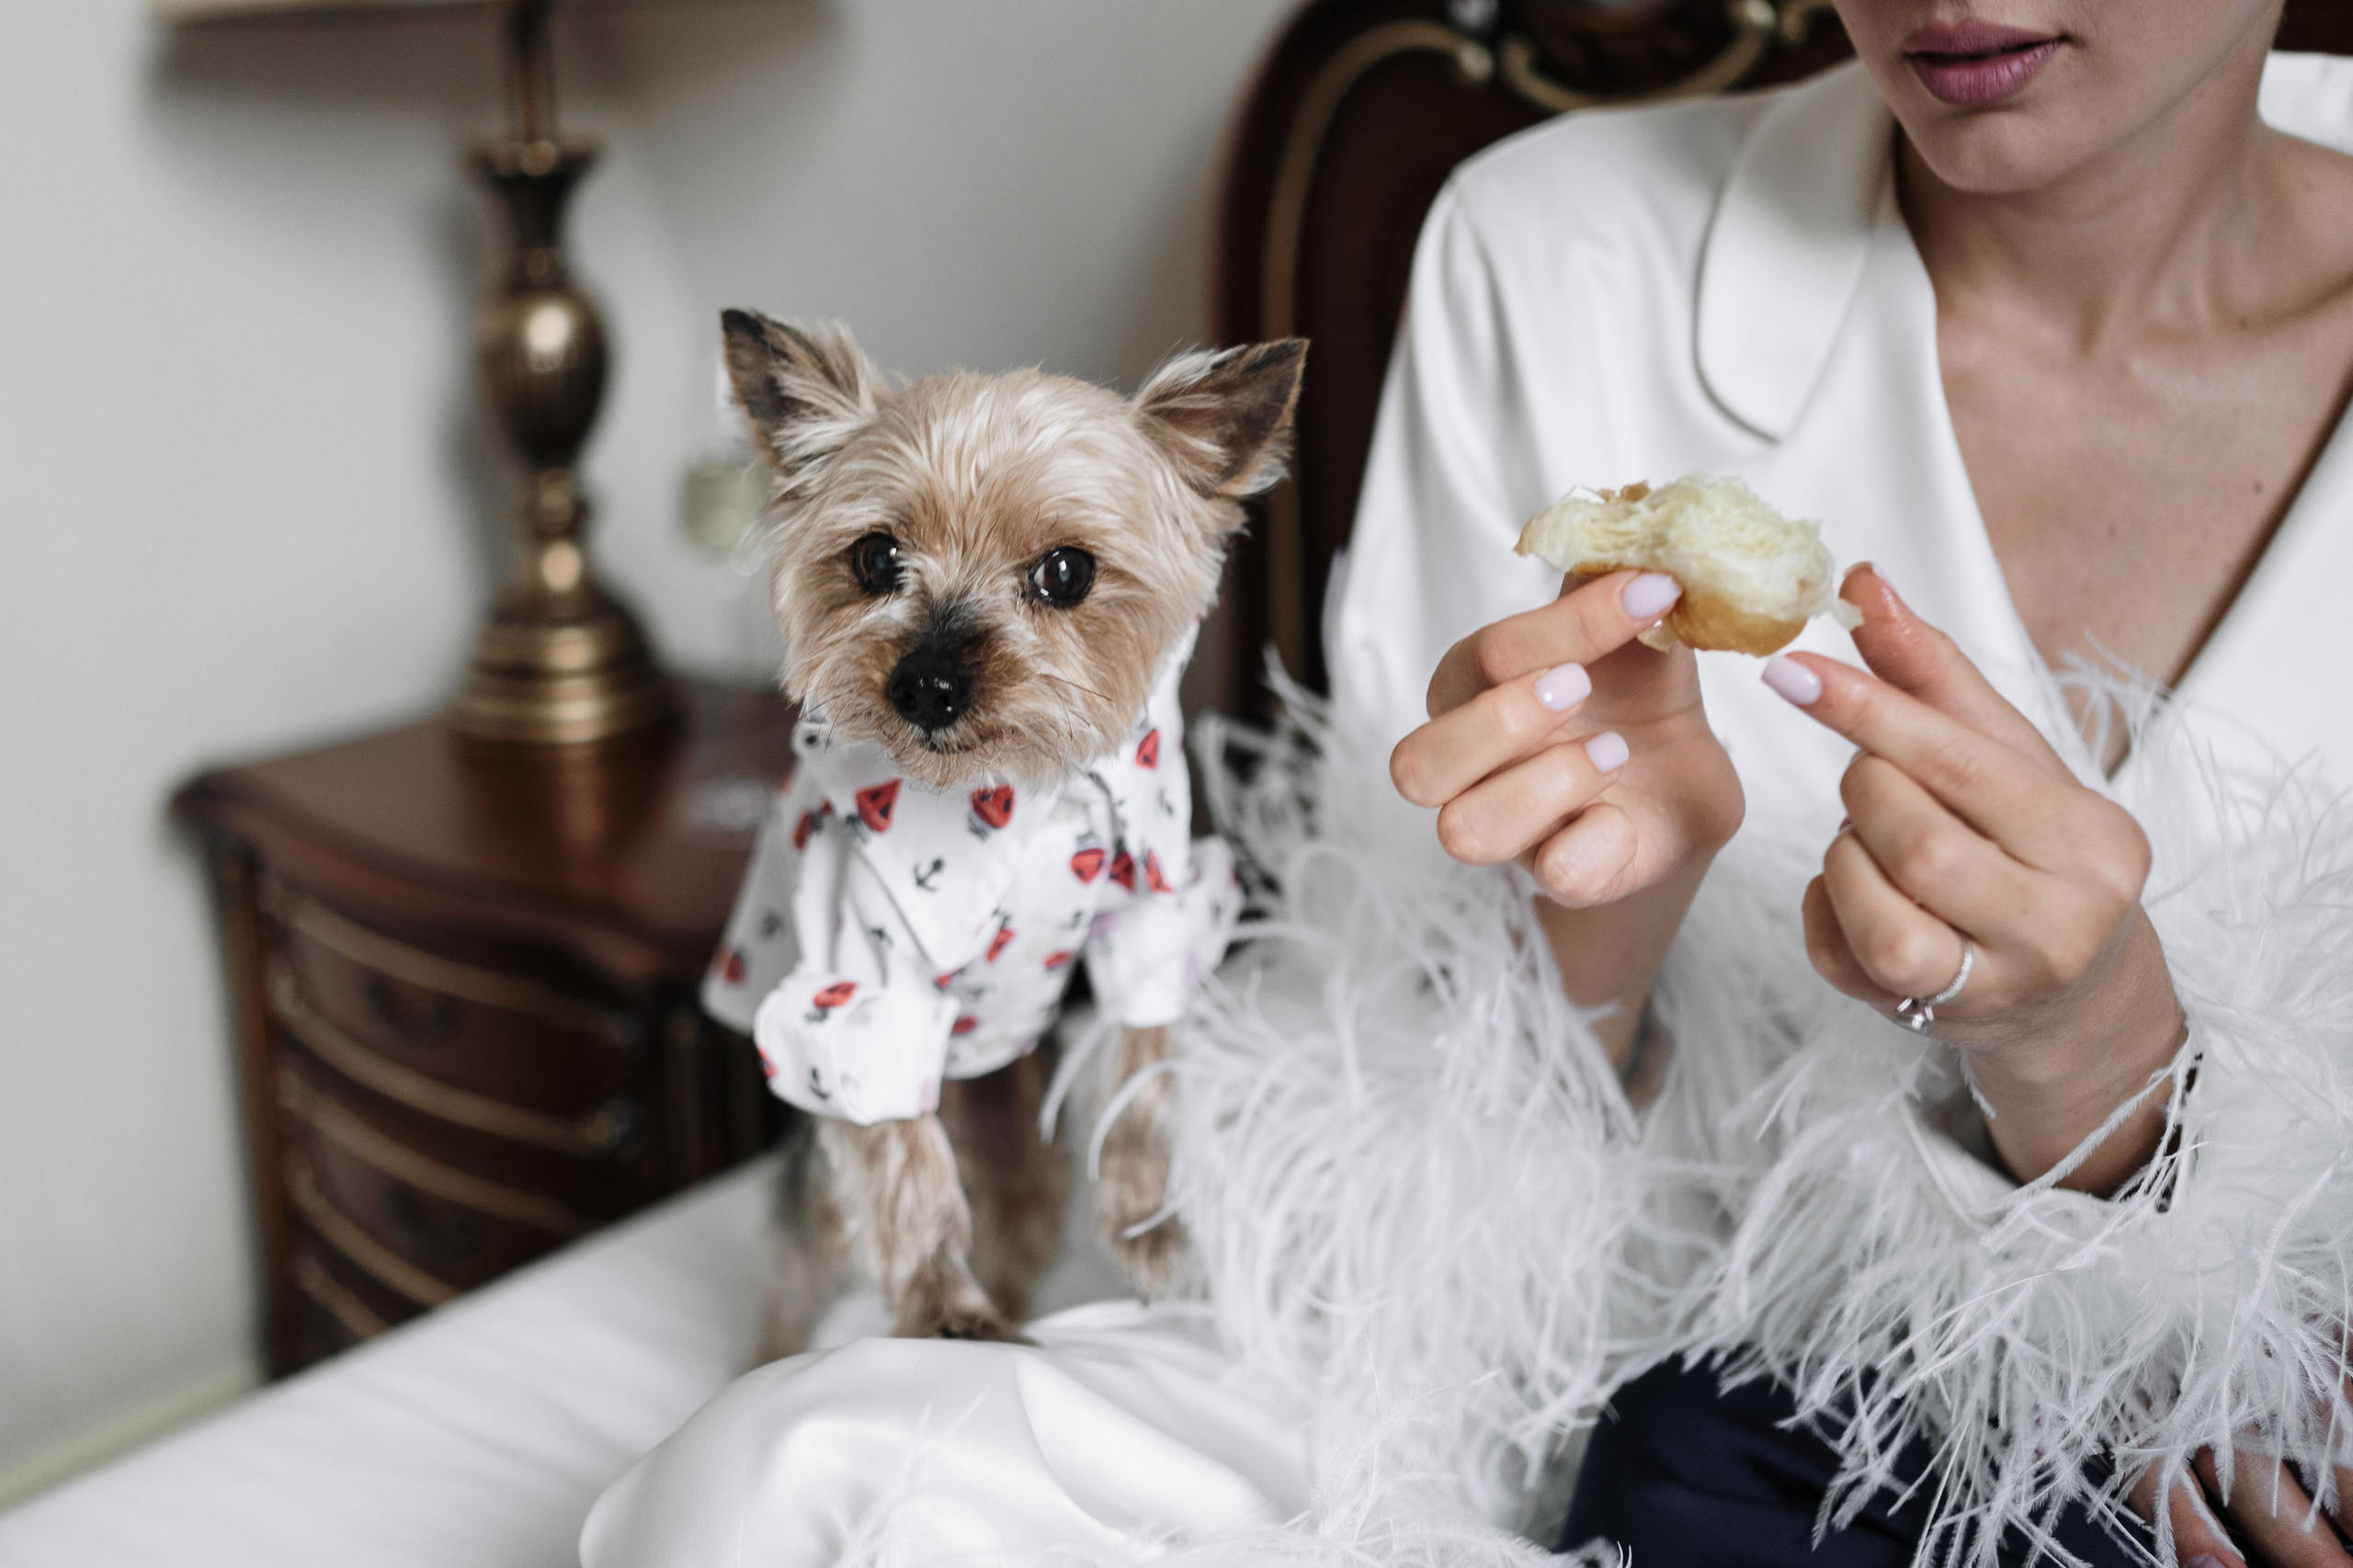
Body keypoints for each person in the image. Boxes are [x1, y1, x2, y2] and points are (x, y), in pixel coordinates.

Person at [583, 6, 2353, 1565]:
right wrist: (1588, 941)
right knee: (783, 1482)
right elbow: (1376, 1176)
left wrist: (2115, 1089)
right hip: (1552, 1374)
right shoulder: (1553, 247)